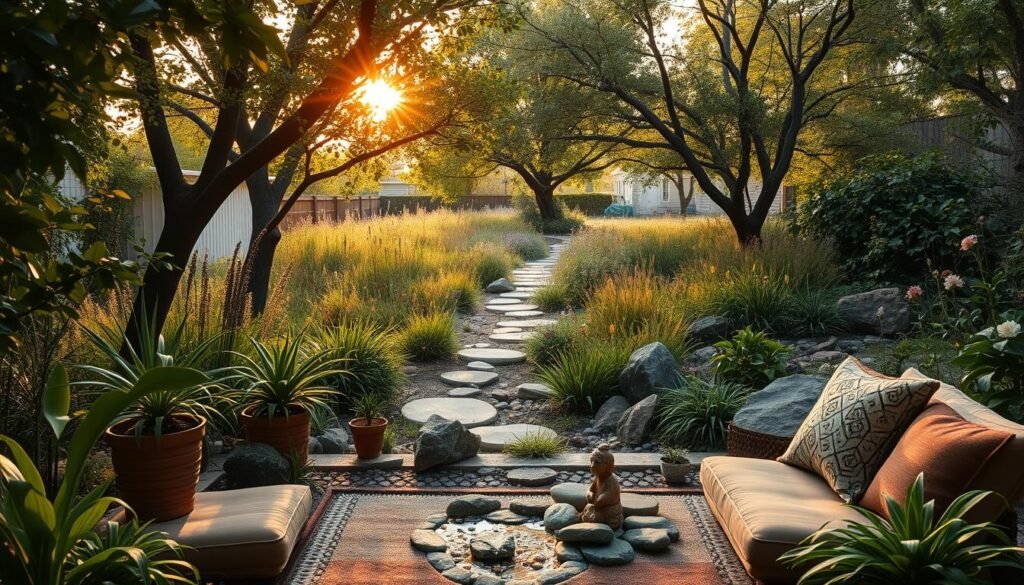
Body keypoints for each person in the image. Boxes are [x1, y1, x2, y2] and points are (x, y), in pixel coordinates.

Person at [581, 443, 623, 529]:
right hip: (596, 506)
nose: (592, 466)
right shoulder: (597, 477)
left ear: (608, 465)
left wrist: (601, 499)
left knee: (596, 518)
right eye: (591, 461)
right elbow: (591, 489)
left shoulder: (611, 480)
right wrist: (589, 494)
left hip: (609, 510)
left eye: (597, 462)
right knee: (587, 511)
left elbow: (610, 495)